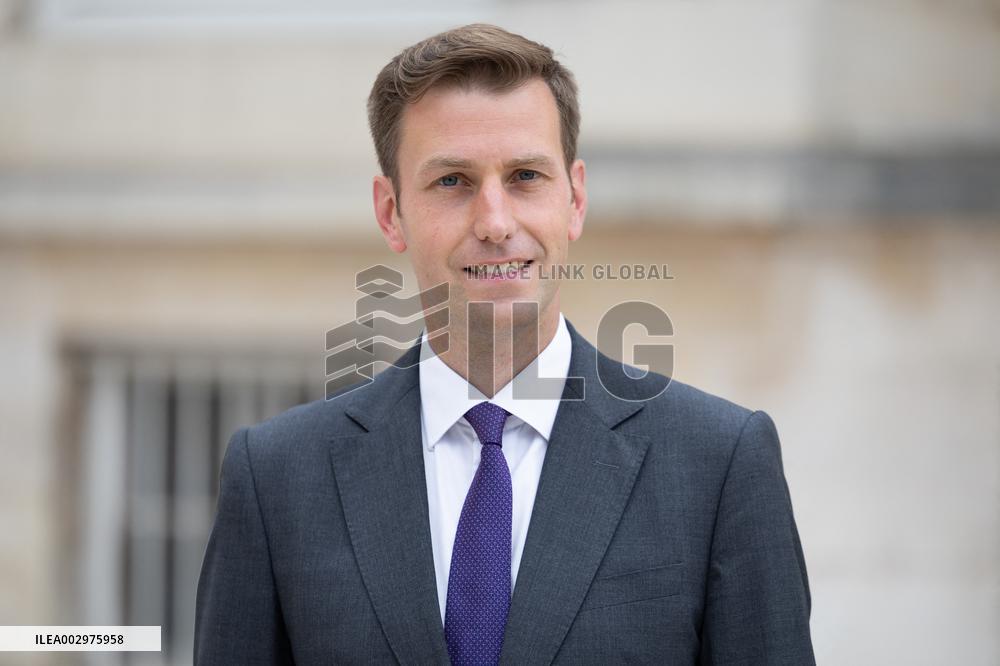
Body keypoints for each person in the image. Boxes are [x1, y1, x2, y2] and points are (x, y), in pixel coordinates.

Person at [194, 23, 815, 665]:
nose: (495, 223)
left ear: (574, 199)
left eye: (524, 176)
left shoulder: (718, 463)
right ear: (390, 212)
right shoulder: (275, 477)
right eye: (452, 182)